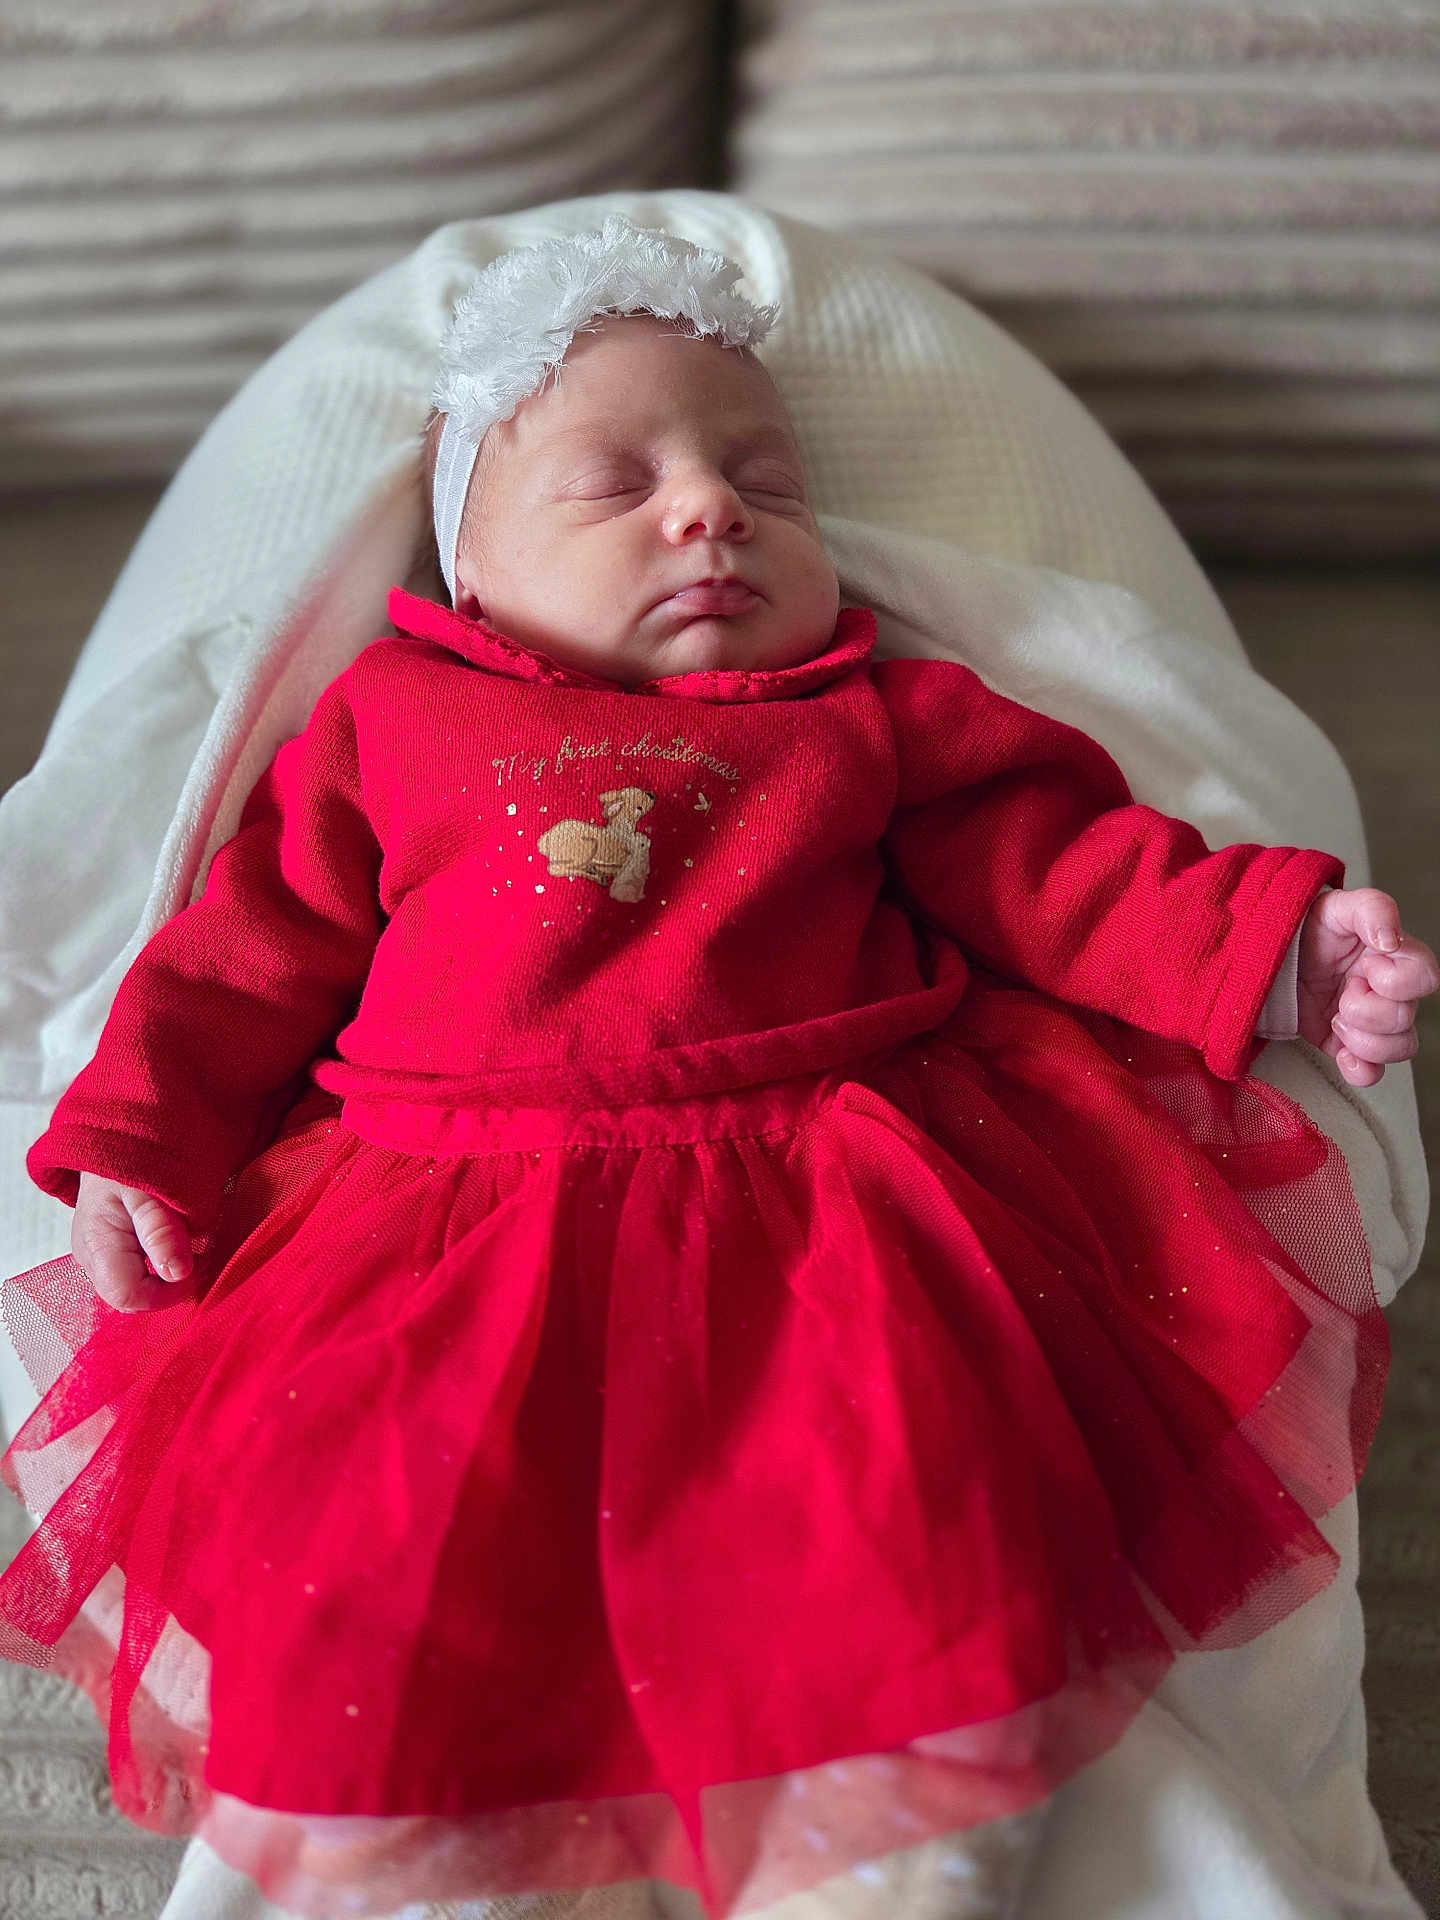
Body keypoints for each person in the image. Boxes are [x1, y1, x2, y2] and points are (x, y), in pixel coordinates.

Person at [0, 220, 1435, 1920]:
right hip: (445, 1232)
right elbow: (245, 949)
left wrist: (1274, 953)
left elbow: (1060, 868)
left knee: (893, 1548)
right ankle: (470, 1868)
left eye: (767, 483)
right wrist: (142, 1137)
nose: (710, 510)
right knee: (416, 1590)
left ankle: (894, 1858)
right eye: (616, 485)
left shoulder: (866, 713)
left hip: (830, 1206)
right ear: (468, 572)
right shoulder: (392, 718)